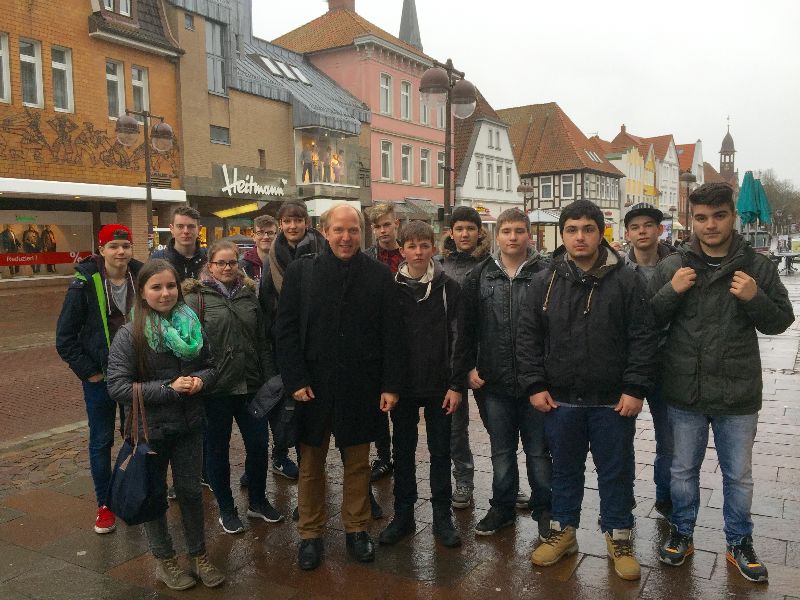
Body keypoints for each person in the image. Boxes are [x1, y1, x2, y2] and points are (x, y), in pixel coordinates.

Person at [649, 183, 794, 583]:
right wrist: (671, 291)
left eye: (719, 216)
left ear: (732, 216)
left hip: (737, 391)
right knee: (682, 471)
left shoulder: (757, 266)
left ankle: (739, 542)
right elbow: (645, 318)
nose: (710, 225)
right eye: (701, 217)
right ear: (691, 219)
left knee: (738, 475)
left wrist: (754, 298)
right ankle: (682, 532)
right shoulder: (674, 264)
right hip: (685, 390)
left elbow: (781, 320)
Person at [520, 200, 657, 581]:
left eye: (588, 229)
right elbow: (528, 337)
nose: (580, 237)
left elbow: (642, 337)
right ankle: (564, 531)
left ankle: (619, 535)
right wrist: (534, 384)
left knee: (616, 471)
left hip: (613, 401)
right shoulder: (544, 280)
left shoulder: (627, 279)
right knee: (564, 470)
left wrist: (634, 388)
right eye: (572, 230)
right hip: (560, 399)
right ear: (562, 235)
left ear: (601, 233)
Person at [275, 203, 403, 571]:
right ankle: (310, 534)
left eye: (353, 230)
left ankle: (357, 529)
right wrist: (295, 379)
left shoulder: (379, 275)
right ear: (325, 231)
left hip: (360, 385)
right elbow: (284, 330)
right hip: (311, 387)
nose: (346, 237)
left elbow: (391, 335)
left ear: (361, 233)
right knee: (311, 464)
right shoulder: (302, 273)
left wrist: (390, 385)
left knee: (358, 464)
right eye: (339, 230)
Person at [106, 260, 225, 591]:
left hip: (190, 425)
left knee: (189, 492)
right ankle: (165, 560)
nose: (165, 293)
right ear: (143, 292)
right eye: (156, 287)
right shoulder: (130, 334)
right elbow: (116, 386)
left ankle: (198, 555)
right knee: (154, 495)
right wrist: (169, 389)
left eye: (170, 286)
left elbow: (212, 367)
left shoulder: (193, 325)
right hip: (150, 431)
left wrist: (200, 381)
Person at [453, 208, 552, 537]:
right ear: (496, 236)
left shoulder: (547, 273)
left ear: (528, 235)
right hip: (493, 382)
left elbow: (557, 328)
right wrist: (467, 366)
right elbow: (465, 329)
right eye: (506, 231)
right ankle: (503, 508)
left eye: (519, 231)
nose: (512, 237)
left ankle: (544, 511)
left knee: (539, 452)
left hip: (536, 381)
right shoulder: (480, 275)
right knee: (502, 451)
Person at [183, 240, 282, 534]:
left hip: (250, 385)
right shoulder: (195, 300)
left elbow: (262, 341)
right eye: (220, 263)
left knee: (259, 445)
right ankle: (226, 508)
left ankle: (257, 501)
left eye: (232, 263)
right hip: (216, 389)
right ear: (209, 266)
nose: (227, 268)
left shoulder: (249, 296)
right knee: (217, 450)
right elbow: (190, 347)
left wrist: (269, 378)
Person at [379, 220, 463, 548]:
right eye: (412, 246)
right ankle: (403, 514)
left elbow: (459, 339)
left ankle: (442, 516)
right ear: (401, 250)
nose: (418, 251)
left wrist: (456, 385)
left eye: (424, 245)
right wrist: (389, 384)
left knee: (441, 452)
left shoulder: (448, 288)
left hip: (440, 386)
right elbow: (384, 339)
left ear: (433, 248)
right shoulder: (390, 289)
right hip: (403, 386)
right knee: (403, 450)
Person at [56, 224, 143, 534]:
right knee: (102, 440)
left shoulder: (142, 276)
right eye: (114, 246)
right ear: (102, 249)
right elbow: (65, 338)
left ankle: (132, 494)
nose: (120, 251)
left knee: (136, 438)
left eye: (125, 245)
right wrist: (89, 372)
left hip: (136, 375)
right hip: (100, 378)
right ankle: (104, 504)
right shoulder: (83, 282)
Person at [259, 200, 325, 480]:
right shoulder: (272, 255)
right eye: (287, 221)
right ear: (281, 224)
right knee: (290, 407)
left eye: (297, 220)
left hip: (319, 340)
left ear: (306, 222)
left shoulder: (323, 250)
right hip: (285, 340)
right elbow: (265, 301)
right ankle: (287, 458)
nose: (292, 226)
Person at [622, 202, 676, 519]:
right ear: (628, 233)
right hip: (627, 368)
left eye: (648, 225)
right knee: (620, 440)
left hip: (669, 366)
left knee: (668, 441)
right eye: (636, 226)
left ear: (659, 230)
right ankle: (622, 499)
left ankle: (665, 499)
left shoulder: (678, 266)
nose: (642, 231)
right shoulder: (616, 270)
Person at [437, 206, 490, 510]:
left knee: (496, 425)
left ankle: (506, 483)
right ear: (452, 232)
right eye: (459, 229)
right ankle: (464, 480)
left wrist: (478, 361)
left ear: (479, 232)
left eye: (470, 228)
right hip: (450, 360)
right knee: (455, 428)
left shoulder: (490, 265)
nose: (465, 234)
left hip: (483, 361)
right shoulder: (440, 267)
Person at [364, 203, 402, 482]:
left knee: (400, 403)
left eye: (386, 225)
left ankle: (401, 453)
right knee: (378, 405)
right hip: (375, 335)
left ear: (396, 223)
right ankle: (383, 456)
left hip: (405, 331)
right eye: (377, 226)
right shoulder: (368, 257)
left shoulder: (409, 253)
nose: (382, 231)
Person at [151, 206, 207, 281]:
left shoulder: (209, 258)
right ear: (172, 229)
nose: (186, 231)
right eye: (180, 226)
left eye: (191, 226)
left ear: (199, 229)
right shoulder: (158, 259)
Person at [240, 215, 278, 281]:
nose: (266, 237)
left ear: (277, 236)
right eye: (260, 233)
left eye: (270, 233)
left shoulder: (285, 262)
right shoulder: (242, 266)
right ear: (253, 236)